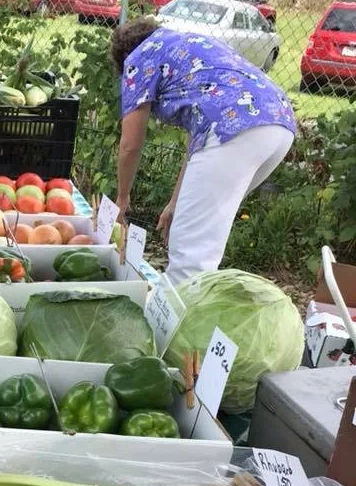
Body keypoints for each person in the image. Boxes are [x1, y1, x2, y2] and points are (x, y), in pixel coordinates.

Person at [111, 16, 296, 286]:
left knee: (190, 259)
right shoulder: (186, 44)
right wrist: (176, 202)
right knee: (202, 239)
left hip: (234, 127)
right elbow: (199, 143)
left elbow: (130, 144)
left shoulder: (138, 58)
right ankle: (195, 311)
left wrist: (122, 198)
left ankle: (172, 325)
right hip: (278, 124)